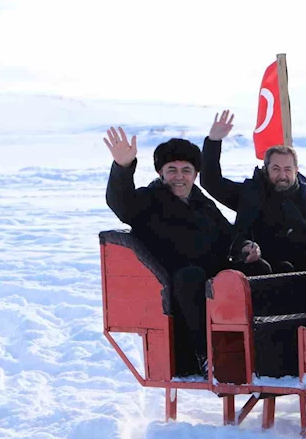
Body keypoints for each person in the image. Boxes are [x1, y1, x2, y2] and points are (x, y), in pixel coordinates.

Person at [103, 127, 269, 377]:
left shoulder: (202, 202)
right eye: (172, 170)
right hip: (175, 283)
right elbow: (121, 203)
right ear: (161, 173)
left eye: (186, 171)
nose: (179, 177)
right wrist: (123, 167)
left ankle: (266, 346)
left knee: (260, 269)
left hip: (211, 273)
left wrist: (244, 247)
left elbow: (227, 235)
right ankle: (207, 356)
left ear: (195, 174)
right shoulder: (148, 200)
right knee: (190, 276)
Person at [200, 110, 306, 273]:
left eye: (287, 169)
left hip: (302, 271)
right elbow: (211, 182)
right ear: (266, 169)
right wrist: (213, 141)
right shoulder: (250, 193)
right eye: (276, 169)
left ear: (296, 170)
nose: (282, 175)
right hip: (260, 270)